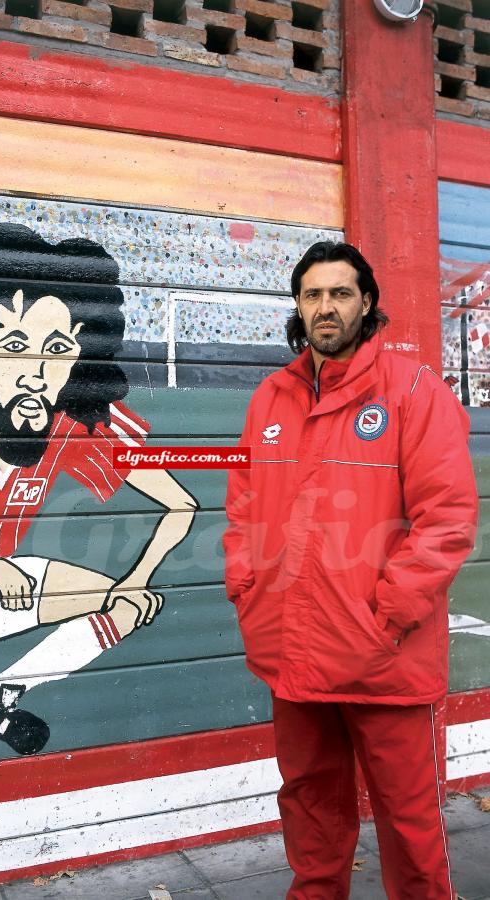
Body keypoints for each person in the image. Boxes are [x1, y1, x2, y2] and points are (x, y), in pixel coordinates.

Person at [223, 241, 478, 899]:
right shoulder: (270, 399)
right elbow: (243, 506)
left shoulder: (415, 392)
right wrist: (245, 586)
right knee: (310, 805)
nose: (326, 307)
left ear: (367, 303)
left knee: (409, 821)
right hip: (291, 651)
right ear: (297, 307)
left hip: (381, 655)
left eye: (340, 293)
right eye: (313, 295)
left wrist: (388, 615)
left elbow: (445, 520)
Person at [0, 223, 196, 765]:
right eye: (14, 345)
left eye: (57, 350)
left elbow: (184, 503)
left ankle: (3, 699)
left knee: (123, 604)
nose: (35, 372)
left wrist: (138, 579)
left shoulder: (74, 418)